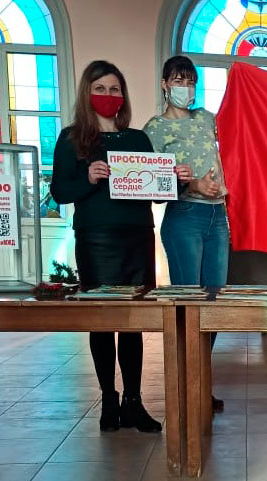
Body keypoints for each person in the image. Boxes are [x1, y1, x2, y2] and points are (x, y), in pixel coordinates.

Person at [51, 60, 186, 432]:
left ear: (122, 96)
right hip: (96, 240)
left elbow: (157, 193)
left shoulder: (137, 140)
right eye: (100, 88)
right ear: (87, 93)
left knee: (133, 322)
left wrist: (176, 180)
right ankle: (108, 400)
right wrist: (88, 178)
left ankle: (134, 402)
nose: (108, 95)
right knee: (102, 320)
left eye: (115, 89)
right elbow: (59, 191)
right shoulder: (71, 138)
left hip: (137, 238)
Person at [144, 55, 228, 412]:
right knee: (188, 304)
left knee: (213, 304)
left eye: (191, 82)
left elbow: (239, 139)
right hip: (185, 217)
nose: (186, 88)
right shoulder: (154, 129)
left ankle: (200, 380)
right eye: (179, 81)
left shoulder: (207, 118)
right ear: (165, 84)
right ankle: (185, 386)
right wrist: (192, 184)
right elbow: (151, 183)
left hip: (218, 217)